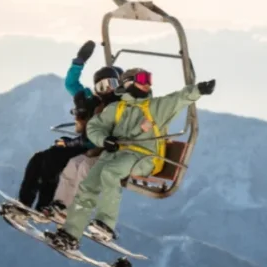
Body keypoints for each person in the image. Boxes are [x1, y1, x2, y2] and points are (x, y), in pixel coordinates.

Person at [46, 67, 216, 250]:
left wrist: (199, 89)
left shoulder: (156, 107)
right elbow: (95, 127)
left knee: (110, 173)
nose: (147, 83)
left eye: (149, 78)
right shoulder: (117, 108)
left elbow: (179, 98)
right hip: (116, 154)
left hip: (145, 157)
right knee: (89, 184)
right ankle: (70, 234)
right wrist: (104, 139)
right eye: (143, 78)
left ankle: (106, 224)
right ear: (127, 83)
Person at [12, 40, 120, 216]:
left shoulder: (116, 107)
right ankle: (24, 203)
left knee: (52, 159)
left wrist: (70, 143)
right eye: (103, 86)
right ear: (96, 88)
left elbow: (95, 139)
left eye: (113, 84)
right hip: (82, 145)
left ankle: (44, 205)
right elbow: (71, 83)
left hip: (92, 149)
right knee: (37, 159)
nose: (108, 89)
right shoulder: (92, 99)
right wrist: (79, 62)